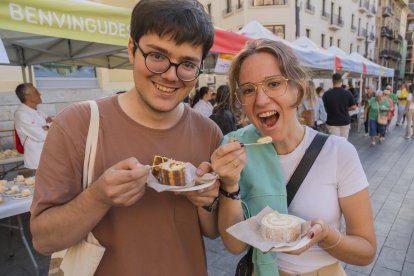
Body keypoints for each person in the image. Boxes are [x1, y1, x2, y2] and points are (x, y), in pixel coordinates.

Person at [30, 1, 222, 275]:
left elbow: (211, 231)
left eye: (188, 64)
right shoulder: (76, 125)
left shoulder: (209, 132)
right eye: (157, 55)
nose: (170, 75)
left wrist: (208, 201)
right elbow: (43, 240)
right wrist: (98, 197)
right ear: (132, 49)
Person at [212, 39, 376, 275]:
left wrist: (326, 236)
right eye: (248, 90)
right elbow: (235, 245)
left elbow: (366, 251)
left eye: (274, 83)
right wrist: (228, 184)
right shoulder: (236, 150)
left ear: (298, 88)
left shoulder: (339, 153)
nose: (260, 100)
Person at [14, 83, 52, 172]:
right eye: (36, 92)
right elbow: (42, 136)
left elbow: (54, 123)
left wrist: (46, 127)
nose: (40, 94)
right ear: (27, 96)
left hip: (48, 157)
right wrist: (48, 126)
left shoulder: (37, 111)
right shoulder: (21, 114)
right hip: (37, 160)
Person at [322, 73, 357, 139]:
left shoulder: (326, 94)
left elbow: (324, 108)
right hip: (345, 121)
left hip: (332, 122)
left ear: (332, 81)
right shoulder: (347, 93)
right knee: (344, 143)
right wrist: (345, 109)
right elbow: (354, 107)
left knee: (334, 143)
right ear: (341, 81)